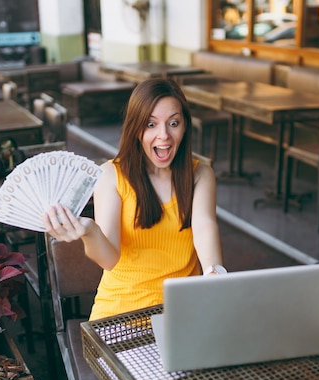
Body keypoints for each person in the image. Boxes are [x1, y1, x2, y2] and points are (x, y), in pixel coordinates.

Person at [43, 78, 225, 320]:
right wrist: (89, 231)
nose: (164, 135)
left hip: (181, 312)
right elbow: (109, 259)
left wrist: (215, 273)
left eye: (173, 123)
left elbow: (204, 228)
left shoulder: (200, 175)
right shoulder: (111, 175)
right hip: (121, 314)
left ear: (185, 127)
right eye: (151, 124)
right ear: (136, 128)